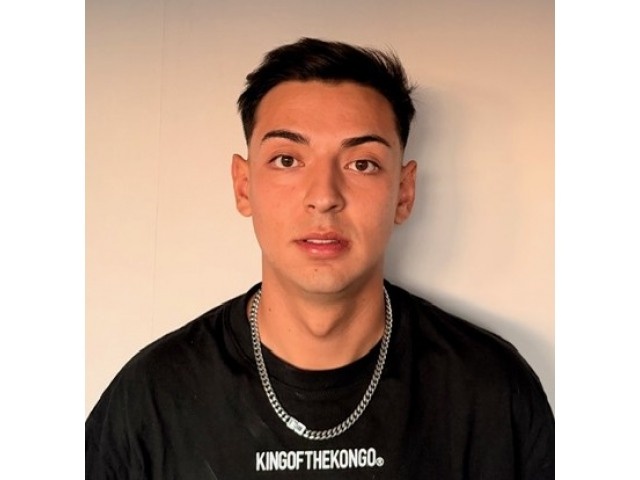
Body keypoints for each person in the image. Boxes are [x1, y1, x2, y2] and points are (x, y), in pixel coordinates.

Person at [85, 37, 554, 479]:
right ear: (244, 186)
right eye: (288, 160)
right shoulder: (151, 398)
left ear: (404, 193)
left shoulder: (491, 391)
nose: (324, 196)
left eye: (362, 164)